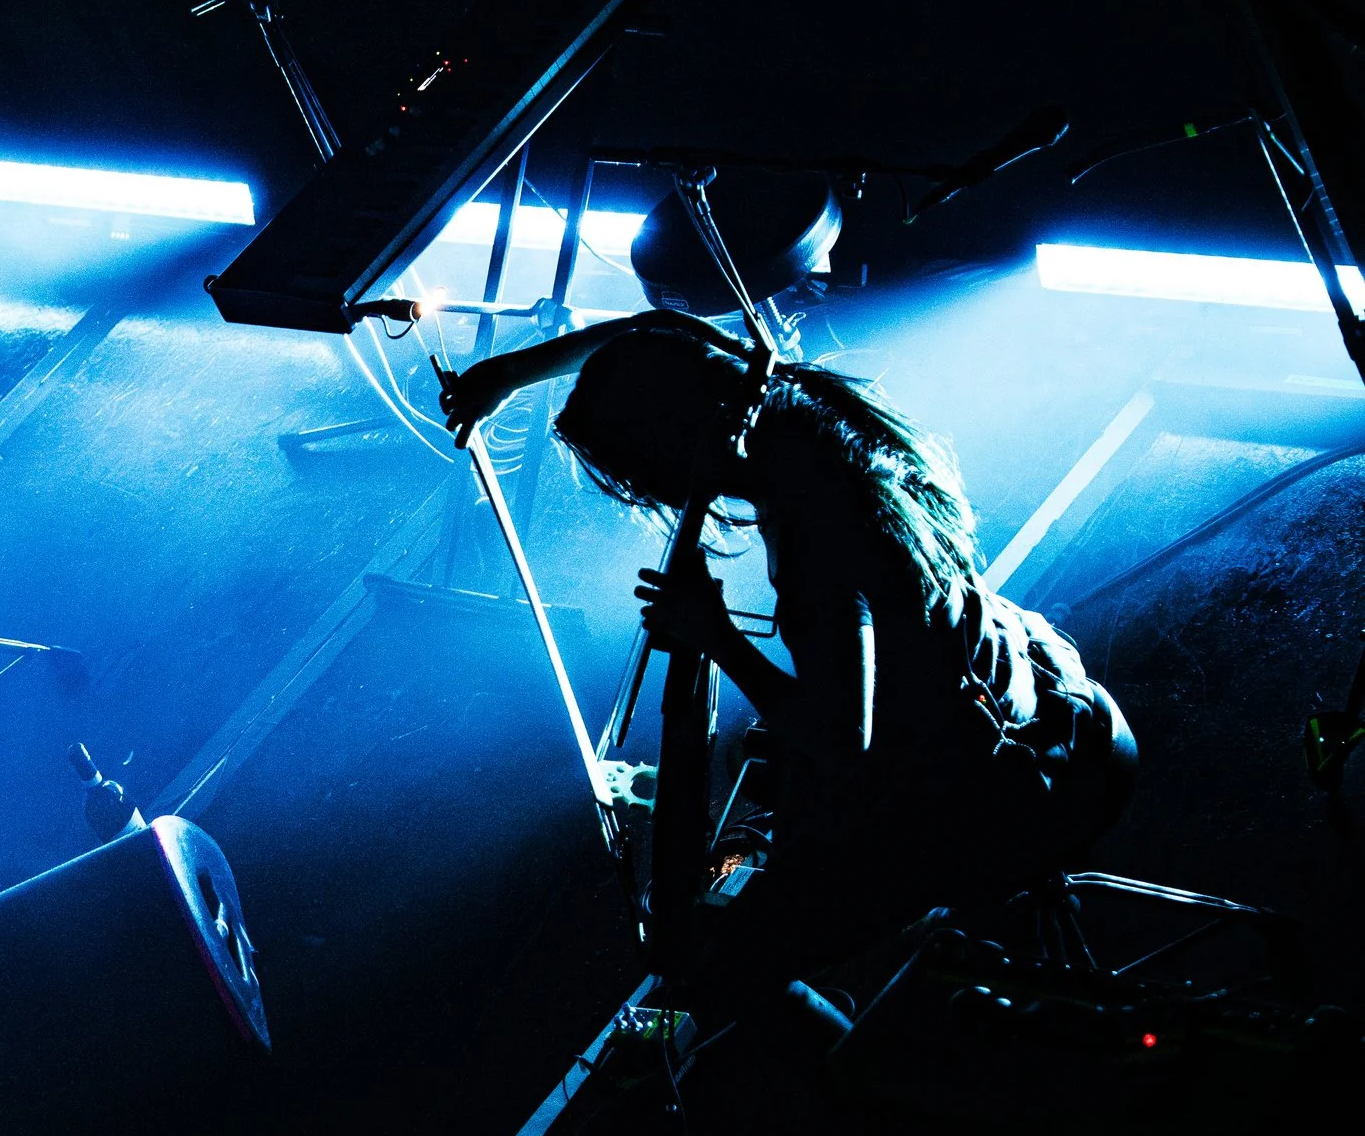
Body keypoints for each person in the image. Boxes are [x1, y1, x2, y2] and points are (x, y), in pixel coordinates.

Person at [441, 311, 1135, 1014]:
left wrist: (715, 634)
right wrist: (508, 376)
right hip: (1045, 692)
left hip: (1012, 787)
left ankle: (868, 1090)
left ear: (672, 443)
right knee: (768, 797)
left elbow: (844, 744)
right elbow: (656, 328)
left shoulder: (812, 547)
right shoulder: (788, 403)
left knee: (710, 959)